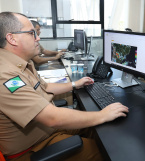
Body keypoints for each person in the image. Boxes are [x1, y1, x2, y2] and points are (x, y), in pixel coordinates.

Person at [0, 12, 129, 161]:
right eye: (32, 33)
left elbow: (45, 87)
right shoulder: (6, 75)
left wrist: (75, 84)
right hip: (34, 148)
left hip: (46, 131)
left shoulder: (21, 63)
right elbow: (52, 118)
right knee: (109, 152)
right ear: (12, 38)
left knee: (101, 131)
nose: (38, 38)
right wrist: (102, 115)